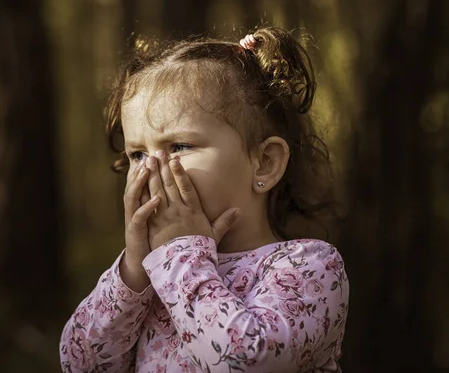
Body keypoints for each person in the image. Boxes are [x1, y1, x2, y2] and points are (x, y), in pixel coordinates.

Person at [59, 27, 349, 373]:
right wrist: (134, 271)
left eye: (179, 146)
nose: (152, 168)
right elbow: (80, 363)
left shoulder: (308, 267)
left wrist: (181, 256)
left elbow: (245, 361)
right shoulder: (149, 279)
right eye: (137, 154)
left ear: (265, 163)